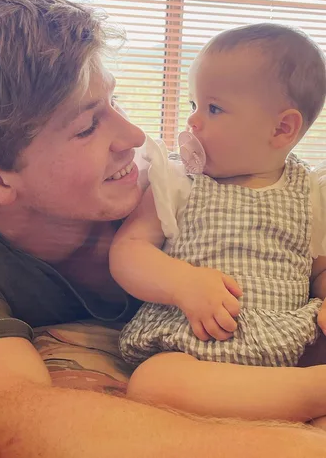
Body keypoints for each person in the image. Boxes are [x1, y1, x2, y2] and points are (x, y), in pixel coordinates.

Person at [0, 0, 326, 457]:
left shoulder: (173, 182)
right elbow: (10, 425)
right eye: (88, 126)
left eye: (115, 103)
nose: (133, 137)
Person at [112, 24, 326, 424]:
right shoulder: (178, 181)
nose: (193, 122)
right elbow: (129, 252)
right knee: (153, 382)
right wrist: (182, 283)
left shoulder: (312, 192)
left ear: (281, 128)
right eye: (194, 104)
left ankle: (301, 395)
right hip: (197, 346)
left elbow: (320, 269)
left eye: (213, 108)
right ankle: (314, 393)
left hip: (290, 339)